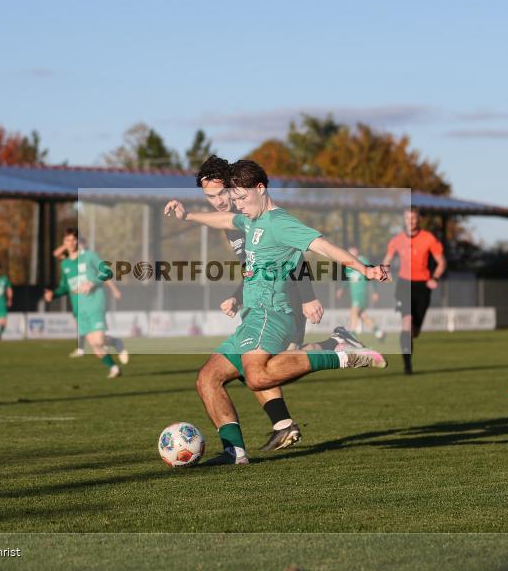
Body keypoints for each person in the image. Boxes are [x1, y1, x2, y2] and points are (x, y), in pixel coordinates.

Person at [165, 159, 387, 465]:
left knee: (256, 376)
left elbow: (322, 247)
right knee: (208, 379)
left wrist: (364, 269)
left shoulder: (280, 222)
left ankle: (335, 349)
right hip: (253, 315)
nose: (234, 204)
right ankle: (235, 452)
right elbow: (227, 222)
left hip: (272, 312)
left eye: (239, 197)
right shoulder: (249, 218)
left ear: (259, 189)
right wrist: (188, 215)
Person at [197, 156, 359, 451]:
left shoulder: (261, 214)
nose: (218, 201)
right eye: (210, 197)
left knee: (260, 368)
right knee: (226, 373)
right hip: (259, 305)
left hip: (284, 303)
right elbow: (254, 265)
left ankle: (335, 349)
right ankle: (279, 427)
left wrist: (307, 296)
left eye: (222, 193)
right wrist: (237, 294)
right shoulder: (236, 220)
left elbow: (293, 255)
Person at [44, 228, 129, 378]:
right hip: (79, 309)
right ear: (63, 243)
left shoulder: (89, 256)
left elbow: (107, 272)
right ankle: (114, 368)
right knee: (95, 346)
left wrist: (92, 283)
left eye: (73, 240)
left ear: (78, 241)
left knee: (99, 340)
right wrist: (54, 294)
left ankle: (116, 343)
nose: (70, 243)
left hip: (95, 302)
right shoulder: (65, 265)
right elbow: (65, 286)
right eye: (67, 240)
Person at [382, 207, 446, 374]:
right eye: (407, 219)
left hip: (422, 286)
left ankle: (410, 345)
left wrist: (435, 278)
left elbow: (441, 262)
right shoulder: (397, 240)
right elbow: (387, 259)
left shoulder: (429, 238)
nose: (411, 222)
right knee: (406, 322)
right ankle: (407, 366)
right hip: (404, 284)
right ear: (403, 220)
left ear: (419, 220)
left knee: (415, 331)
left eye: (414, 219)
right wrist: (384, 272)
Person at [336, 246, 384, 340]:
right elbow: (348, 279)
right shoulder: (349, 263)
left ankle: (352, 335)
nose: (350, 254)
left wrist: (375, 292)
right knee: (362, 315)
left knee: (354, 311)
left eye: (352, 251)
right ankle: (378, 331)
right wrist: (341, 289)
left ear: (356, 251)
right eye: (349, 252)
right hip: (354, 294)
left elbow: (372, 275)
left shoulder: (363, 261)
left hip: (361, 293)